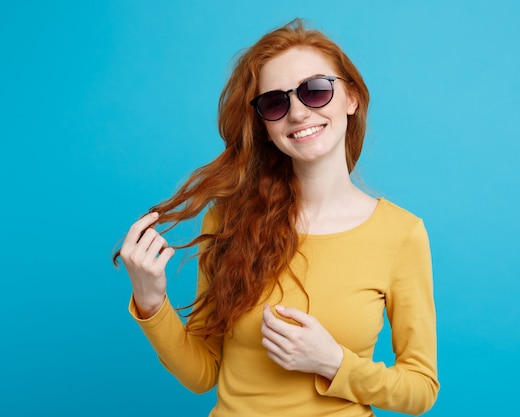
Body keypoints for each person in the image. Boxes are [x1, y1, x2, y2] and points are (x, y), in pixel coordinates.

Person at [115, 18, 439, 417]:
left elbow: (421, 389)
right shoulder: (229, 221)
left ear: (351, 97)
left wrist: (333, 363)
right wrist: (151, 301)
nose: (299, 113)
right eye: (275, 102)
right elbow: (202, 374)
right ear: (265, 126)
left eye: (316, 91)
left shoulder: (401, 234)